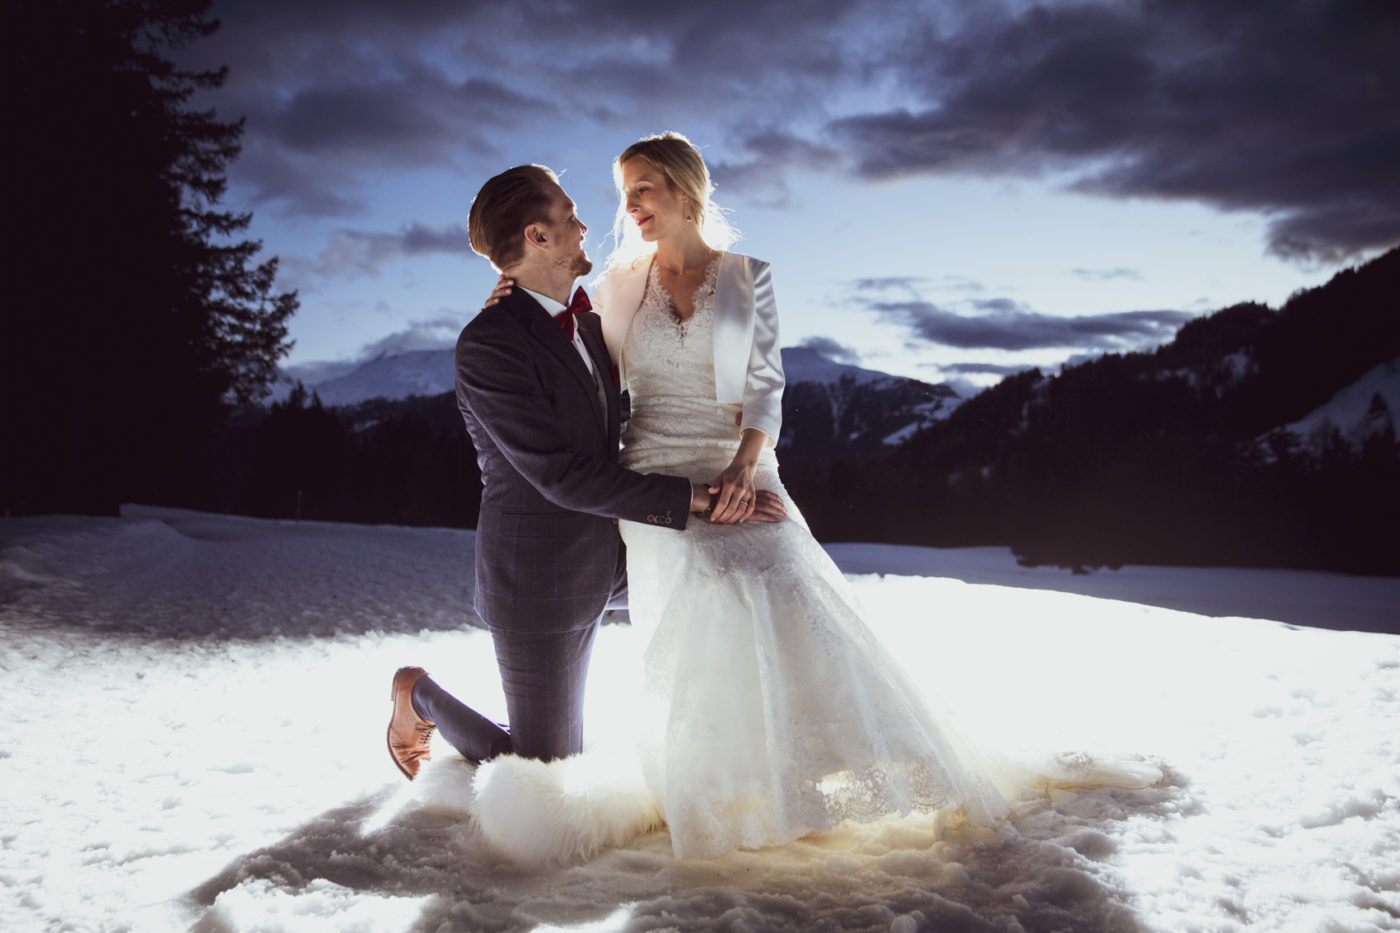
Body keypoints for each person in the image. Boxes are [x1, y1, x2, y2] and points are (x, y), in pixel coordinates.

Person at [486, 134, 1011, 859]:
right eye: (623, 193)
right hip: (658, 476)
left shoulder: (738, 279)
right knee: (707, 587)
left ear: (683, 189)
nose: (629, 206)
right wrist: (507, 295)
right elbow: (573, 359)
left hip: (739, 461)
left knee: (783, 575)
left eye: (643, 188)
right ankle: (715, 782)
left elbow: (761, 390)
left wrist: (740, 472)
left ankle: (830, 762)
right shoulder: (616, 285)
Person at [385, 165, 785, 780]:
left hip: (616, 551)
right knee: (544, 769)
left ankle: (736, 760)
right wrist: (698, 500)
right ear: (537, 237)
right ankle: (418, 694)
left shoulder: (591, 323)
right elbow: (561, 476)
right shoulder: (488, 344)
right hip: (540, 577)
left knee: (743, 572)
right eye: (570, 215)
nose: (586, 225)